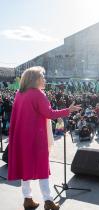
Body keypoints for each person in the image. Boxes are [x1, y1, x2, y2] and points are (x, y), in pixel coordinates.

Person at [8, 67, 81, 210]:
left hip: (22, 137)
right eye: (43, 77)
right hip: (36, 138)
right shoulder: (38, 94)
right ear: (35, 79)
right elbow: (49, 113)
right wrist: (68, 110)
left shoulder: (19, 93)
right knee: (43, 169)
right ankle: (48, 201)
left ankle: (27, 199)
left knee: (25, 168)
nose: (45, 80)